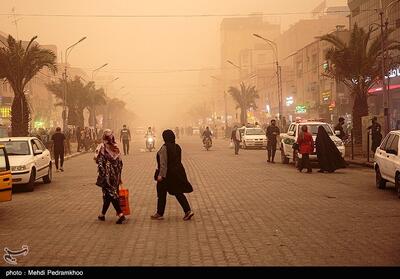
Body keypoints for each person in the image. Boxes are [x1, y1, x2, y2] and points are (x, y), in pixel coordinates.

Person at [151, 129, 194, 221]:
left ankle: (160, 213)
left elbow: (163, 163)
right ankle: (188, 211)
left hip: (166, 175)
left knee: (161, 193)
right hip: (176, 173)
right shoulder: (177, 147)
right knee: (178, 192)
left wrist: (160, 175)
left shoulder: (164, 148)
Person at [95, 129, 126, 224]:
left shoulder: (102, 147)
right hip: (116, 175)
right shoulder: (116, 147)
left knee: (111, 194)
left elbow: (99, 162)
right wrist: (119, 176)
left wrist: (103, 175)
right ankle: (102, 214)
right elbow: (121, 163)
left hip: (107, 176)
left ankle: (121, 214)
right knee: (108, 195)